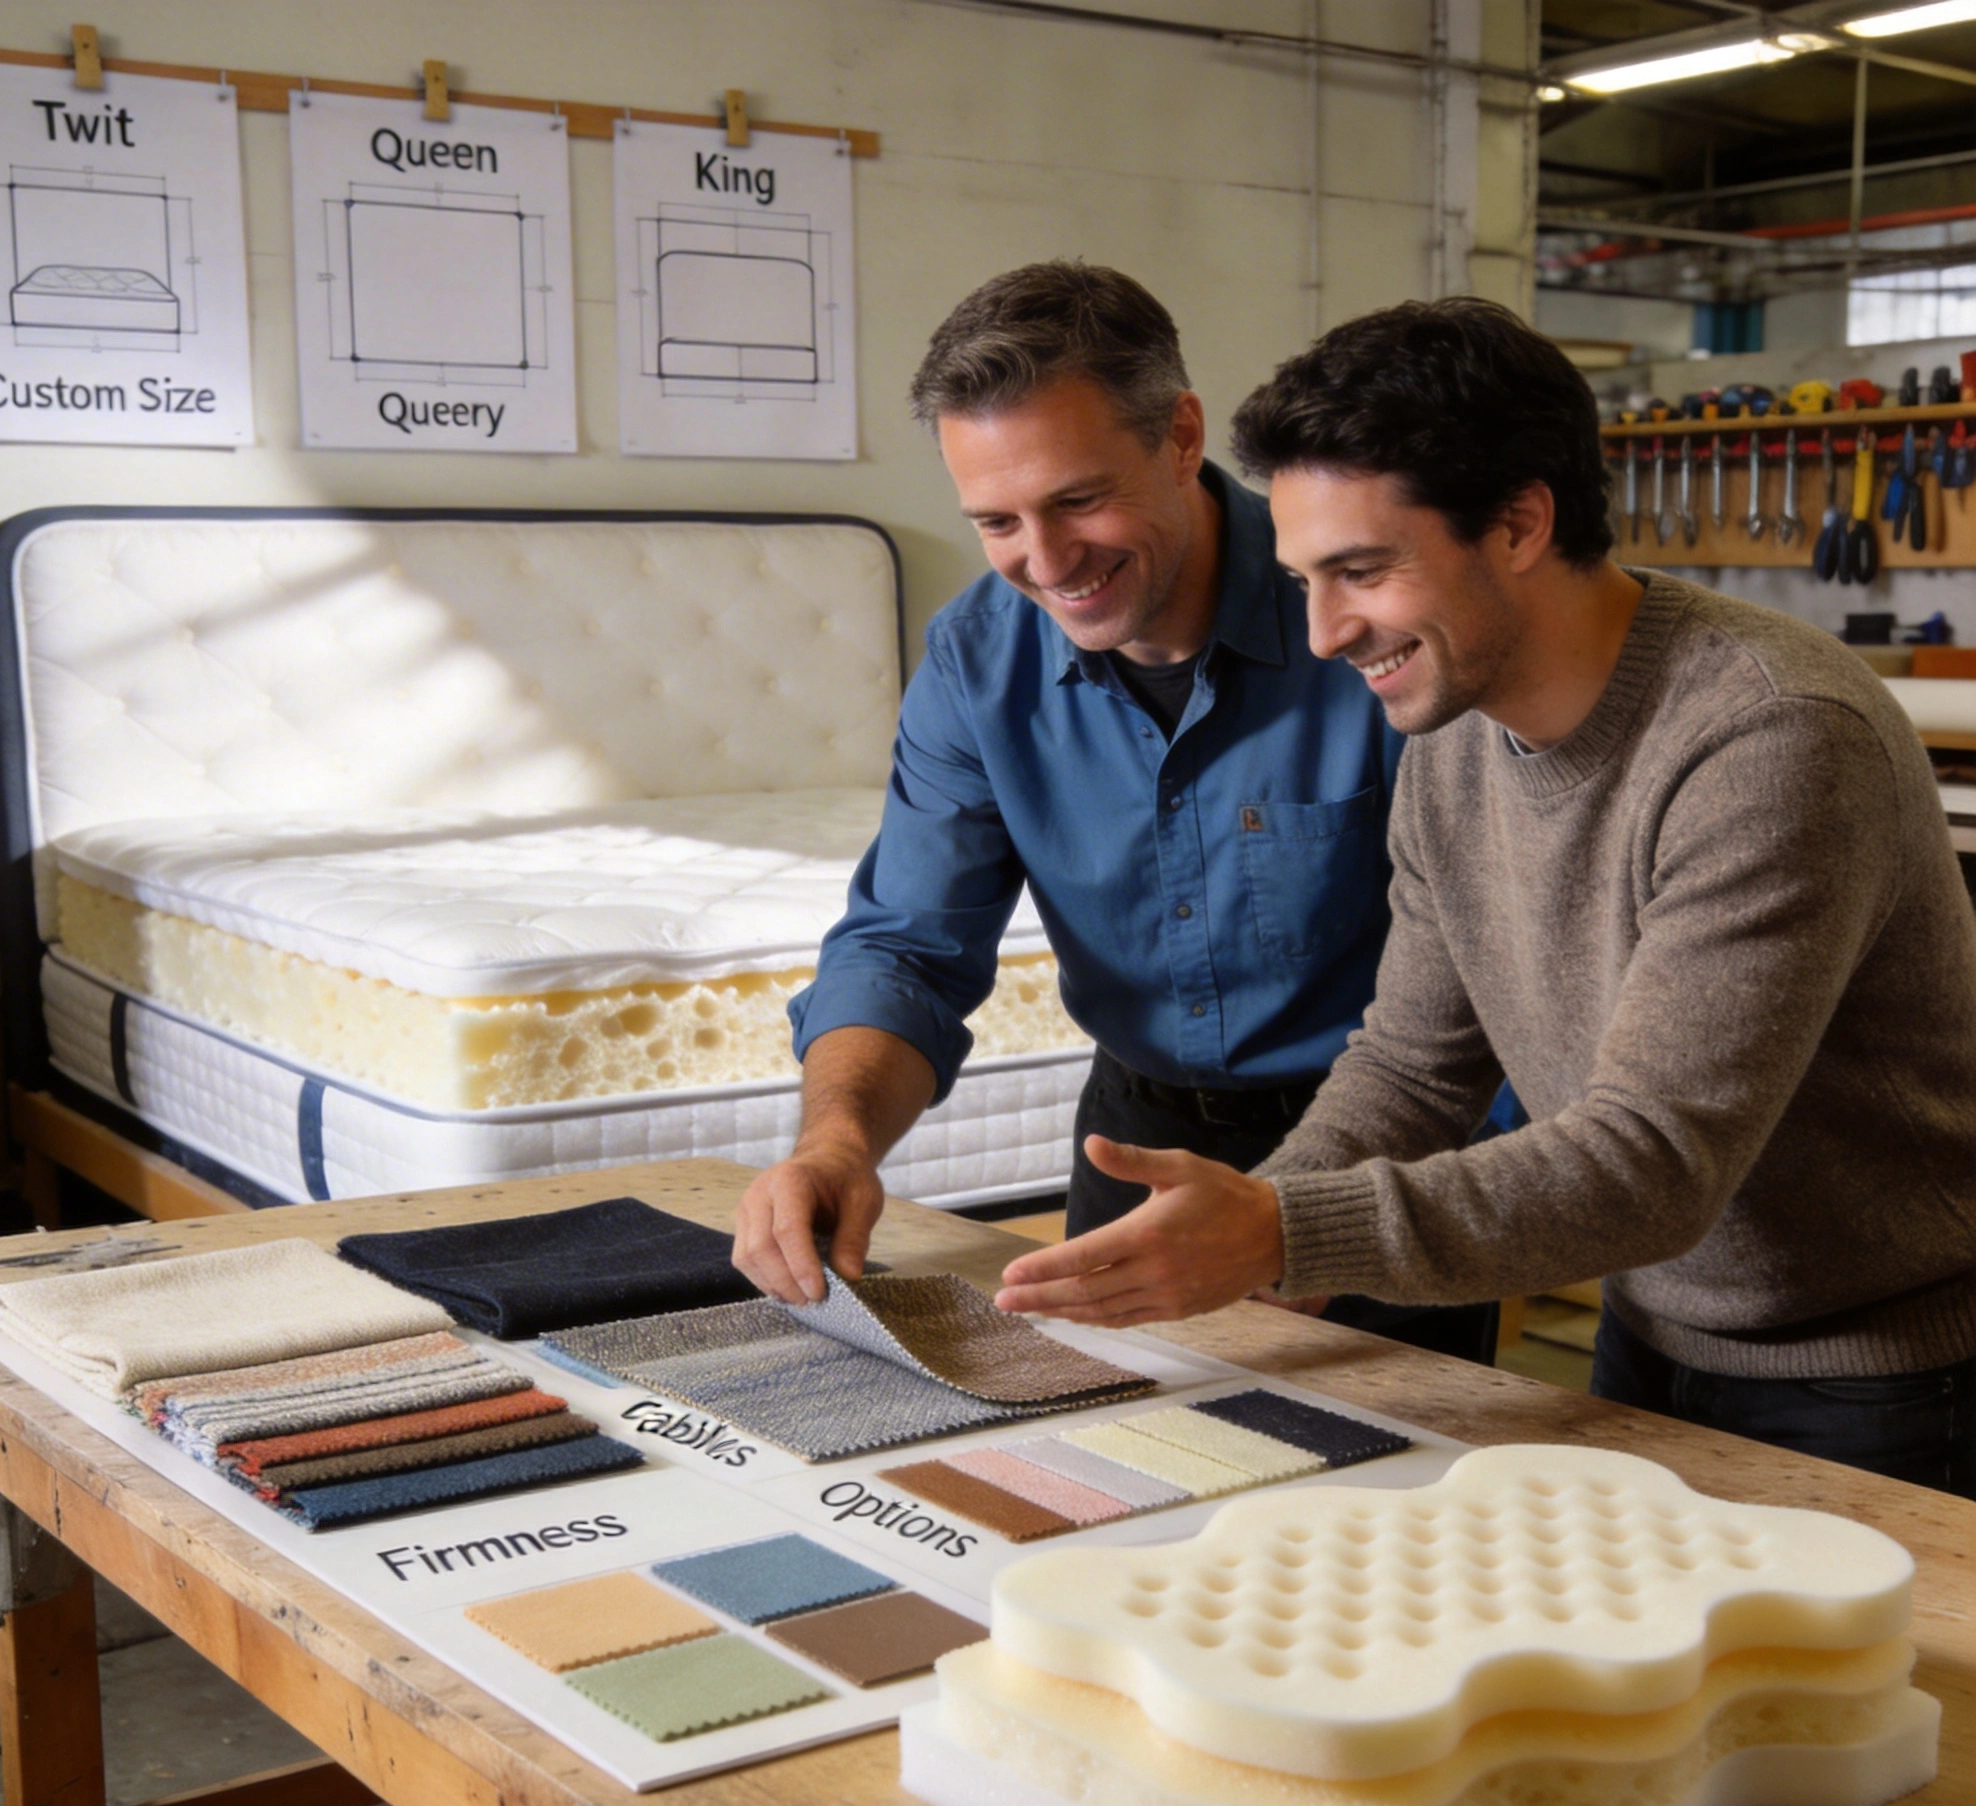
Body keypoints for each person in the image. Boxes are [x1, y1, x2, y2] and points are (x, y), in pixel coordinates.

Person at [994, 295, 1976, 1496]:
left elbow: (1652, 1160)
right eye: (1302, 578)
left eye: (1360, 570)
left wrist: (1282, 1232)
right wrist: (1257, 1221)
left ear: (1518, 522)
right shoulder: (1454, 732)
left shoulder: (1769, 735)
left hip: (1882, 1377)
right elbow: (1413, 1066)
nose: (1322, 633)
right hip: (1652, 1333)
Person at [732, 262, 1493, 1361]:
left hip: (1385, 1152)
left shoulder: (1365, 618)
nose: (1045, 562)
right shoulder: (975, 659)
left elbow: (1475, 976)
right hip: (1133, 1142)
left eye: (1077, 500)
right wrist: (836, 1143)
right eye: (996, 520)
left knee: (1394, 1469)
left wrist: (1302, 1217)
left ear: (1181, 436)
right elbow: (906, 945)